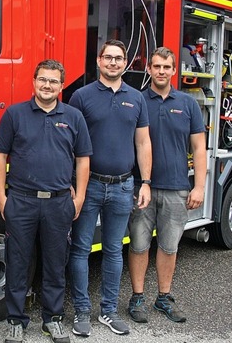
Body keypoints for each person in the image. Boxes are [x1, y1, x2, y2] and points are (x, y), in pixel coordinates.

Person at [0, 59, 92, 343]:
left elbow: (83, 159)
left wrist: (80, 197)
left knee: (55, 264)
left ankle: (53, 319)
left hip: (59, 203)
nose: (47, 85)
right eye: (42, 80)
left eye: (53, 81)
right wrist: (2, 196)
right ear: (34, 82)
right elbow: (0, 155)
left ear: (62, 86)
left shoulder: (73, 117)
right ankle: (16, 320)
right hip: (21, 201)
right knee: (17, 262)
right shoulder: (15, 114)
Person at [67, 39, 152, 337]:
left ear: (125, 63)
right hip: (88, 186)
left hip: (122, 186)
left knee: (114, 250)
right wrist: (72, 186)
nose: (113, 63)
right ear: (99, 62)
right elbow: (70, 144)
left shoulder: (136, 98)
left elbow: (143, 142)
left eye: (119, 58)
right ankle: (81, 312)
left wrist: (145, 183)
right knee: (80, 249)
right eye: (108, 57)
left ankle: (108, 312)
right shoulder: (81, 97)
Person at [127, 46, 206, 324]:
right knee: (138, 244)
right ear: (149, 69)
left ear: (174, 71)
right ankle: (137, 298)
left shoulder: (187, 104)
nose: (161, 71)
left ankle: (163, 298)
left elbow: (199, 148)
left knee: (169, 246)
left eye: (166, 67)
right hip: (141, 187)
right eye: (156, 66)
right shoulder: (136, 100)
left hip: (176, 188)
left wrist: (199, 186)